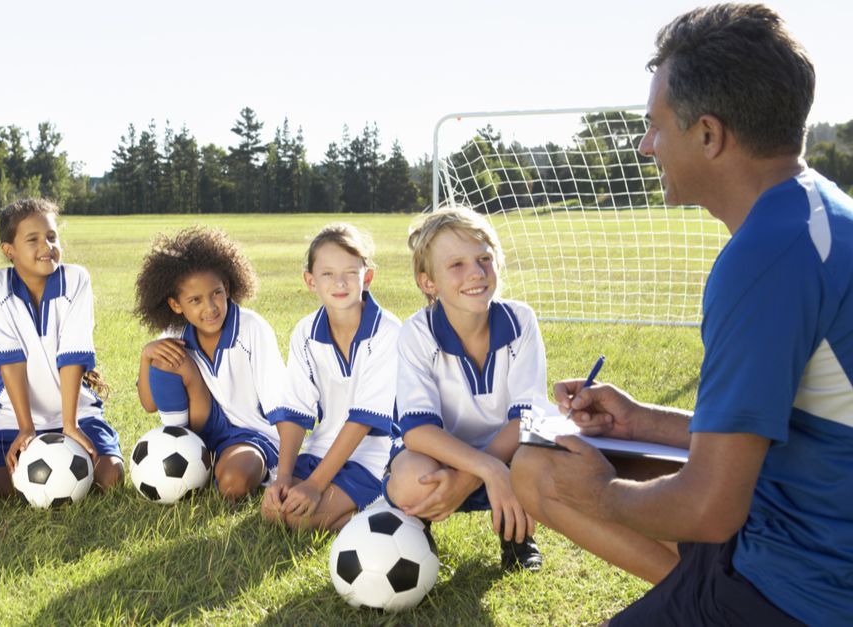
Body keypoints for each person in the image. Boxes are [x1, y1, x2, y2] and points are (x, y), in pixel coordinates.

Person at [510, 4, 853, 624]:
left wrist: (605, 494)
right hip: (794, 537)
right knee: (536, 468)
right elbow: (788, 428)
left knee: (566, 481)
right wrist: (644, 421)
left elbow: (708, 508)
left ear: (708, 135)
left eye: (656, 126)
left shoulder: (766, 258)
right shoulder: (818, 212)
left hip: (802, 584)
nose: (647, 146)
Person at [384, 206, 552, 571]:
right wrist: (487, 470)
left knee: (539, 462)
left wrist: (481, 473)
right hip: (441, 451)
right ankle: (416, 530)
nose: (476, 273)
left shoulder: (520, 321)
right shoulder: (417, 332)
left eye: (484, 259)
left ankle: (517, 536)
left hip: (508, 447)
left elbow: (527, 421)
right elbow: (418, 431)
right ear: (428, 282)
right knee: (413, 481)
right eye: (456, 265)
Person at [0, 198, 124, 497]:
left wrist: (69, 424)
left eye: (52, 237)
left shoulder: (75, 279)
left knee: (110, 476)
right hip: (12, 416)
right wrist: (26, 428)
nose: (47, 246)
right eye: (33, 239)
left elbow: (72, 356)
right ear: (9, 251)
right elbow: (11, 362)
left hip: (76, 412)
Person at [261, 224, 399, 531]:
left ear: (368, 277)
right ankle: (347, 509)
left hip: (375, 456)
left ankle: (386, 505)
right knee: (273, 512)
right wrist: (283, 477)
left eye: (351, 272)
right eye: (327, 274)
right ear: (310, 281)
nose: (340, 282)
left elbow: (363, 419)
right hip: (322, 449)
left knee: (300, 519)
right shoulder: (306, 332)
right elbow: (296, 411)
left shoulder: (388, 333)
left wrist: (314, 485)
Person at [134, 226, 285, 501]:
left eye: (216, 293)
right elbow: (148, 404)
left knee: (233, 483)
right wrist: (146, 356)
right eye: (195, 300)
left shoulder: (252, 329)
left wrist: (288, 468)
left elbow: (280, 405)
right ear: (176, 305)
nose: (210, 307)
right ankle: (183, 447)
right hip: (200, 427)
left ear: (227, 287)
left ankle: (212, 465)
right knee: (166, 356)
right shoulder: (174, 334)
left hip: (249, 435)